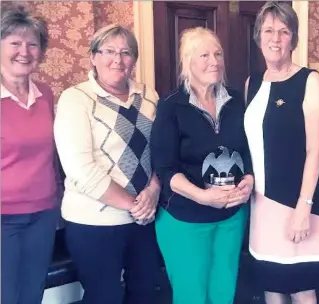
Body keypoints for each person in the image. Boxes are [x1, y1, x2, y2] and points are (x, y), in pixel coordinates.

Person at [53, 24, 162, 304]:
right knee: (105, 297)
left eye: (126, 52)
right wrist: (134, 205)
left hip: (146, 219)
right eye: (109, 51)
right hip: (95, 221)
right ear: (93, 56)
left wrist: (153, 191)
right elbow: (80, 169)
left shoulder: (150, 96)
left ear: (134, 60)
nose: (118, 59)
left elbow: (162, 152)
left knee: (147, 292)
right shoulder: (75, 99)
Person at [150, 27, 254, 304]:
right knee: (191, 296)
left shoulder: (236, 103)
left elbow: (248, 150)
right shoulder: (171, 107)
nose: (214, 61)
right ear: (188, 62)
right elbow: (165, 167)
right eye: (204, 55)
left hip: (231, 218)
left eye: (218, 54)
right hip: (185, 219)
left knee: (224, 292)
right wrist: (203, 197)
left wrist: (249, 179)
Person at [244, 2, 319, 303]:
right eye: (268, 30)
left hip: (299, 204)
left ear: (293, 39)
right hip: (262, 204)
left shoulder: (309, 81)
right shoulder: (251, 83)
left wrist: (303, 208)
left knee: (302, 290)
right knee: (272, 287)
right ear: (258, 37)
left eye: (284, 32)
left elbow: (314, 151)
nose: (275, 38)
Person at [1, 4, 61, 304]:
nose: (24, 51)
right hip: (3, 218)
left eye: (32, 44)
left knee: (32, 294)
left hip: (43, 214)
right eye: (14, 42)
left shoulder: (46, 94)